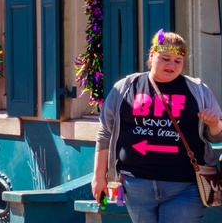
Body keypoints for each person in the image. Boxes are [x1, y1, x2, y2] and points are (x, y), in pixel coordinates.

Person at [93, 30, 222, 222]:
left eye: (178, 60)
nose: (171, 65)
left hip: (185, 186)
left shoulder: (198, 90)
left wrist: (215, 125)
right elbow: (105, 133)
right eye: (165, 58)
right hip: (136, 186)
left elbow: (216, 137)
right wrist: (98, 177)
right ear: (152, 56)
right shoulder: (126, 87)